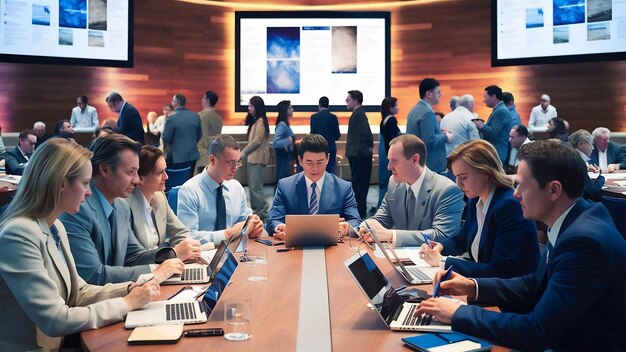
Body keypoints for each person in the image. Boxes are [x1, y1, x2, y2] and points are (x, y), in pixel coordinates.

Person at [414, 140, 626, 351]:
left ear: (554, 190)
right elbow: (534, 283)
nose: (515, 193)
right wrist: (472, 286)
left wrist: (458, 313)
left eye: (522, 185)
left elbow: (537, 332)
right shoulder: (572, 220)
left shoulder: (584, 242)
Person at [0, 138, 159, 351]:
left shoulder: (55, 226)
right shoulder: (18, 233)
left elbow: (79, 292)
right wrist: (127, 303)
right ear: (60, 184)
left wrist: (130, 288)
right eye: (84, 183)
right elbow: (55, 319)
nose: (90, 191)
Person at [60, 134, 200, 285]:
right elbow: (93, 275)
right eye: (130, 172)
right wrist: (156, 271)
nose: (137, 180)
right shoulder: (77, 209)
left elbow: (134, 256)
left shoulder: (121, 206)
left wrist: (172, 255)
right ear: (105, 169)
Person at [419, 140, 539, 278]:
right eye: (456, 177)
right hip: (486, 287)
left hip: (510, 294)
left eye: (463, 177)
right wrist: (439, 247)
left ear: (486, 172)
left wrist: (442, 261)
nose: (458, 184)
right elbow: (462, 239)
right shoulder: (476, 197)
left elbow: (500, 271)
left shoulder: (510, 206)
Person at [361, 134, 464, 246]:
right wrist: (359, 228)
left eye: (394, 161)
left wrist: (392, 235)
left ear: (414, 160)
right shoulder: (394, 183)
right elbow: (382, 218)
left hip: (432, 260)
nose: (389, 167)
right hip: (400, 258)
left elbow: (442, 235)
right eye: (389, 160)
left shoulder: (447, 190)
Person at [267, 134, 361, 239]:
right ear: (300, 160)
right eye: (309, 163)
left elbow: (356, 221)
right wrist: (280, 227)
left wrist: (347, 227)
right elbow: (273, 221)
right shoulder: (285, 186)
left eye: (320, 162)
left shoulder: (343, 188)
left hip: (332, 249)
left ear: (328, 159)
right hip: (295, 248)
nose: (315, 168)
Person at [178, 134, 265, 245]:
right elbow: (188, 237)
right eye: (231, 163)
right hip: (202, 256)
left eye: (238, 162)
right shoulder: (190, 191)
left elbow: (244, 222)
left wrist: (253, 227)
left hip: (235, 251)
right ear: (212, 160)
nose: (236, 168)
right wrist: (227, 234)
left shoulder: (236, 187)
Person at [126, 146, 199, 250]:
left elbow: (181, 232)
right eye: (160, 172)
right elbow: (133, 255)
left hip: (162, 262)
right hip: (143, 264)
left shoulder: (160, 196)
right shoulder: (125, 206)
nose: (166, 177)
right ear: (140, 177)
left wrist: (186, 247)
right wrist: (174, 253)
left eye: (165, 170)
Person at [406, 78, 452, 174]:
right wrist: (445, 136)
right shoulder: (427, 112)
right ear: (429, 94)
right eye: (438, 92)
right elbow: (429, 141)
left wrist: (439, 133)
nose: (441, 95)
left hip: (418, 163)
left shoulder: (414, 109)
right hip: (430, 165)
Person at [241, 96, 271, 221]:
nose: (249, 108)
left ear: (257, 107)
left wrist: (243, 153)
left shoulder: (260, 122)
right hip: (253, 159)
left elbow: (256, 141)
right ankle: (258, 212)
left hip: (257, 159)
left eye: (251, 106)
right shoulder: (256, 121)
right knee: (253, 187)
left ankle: (262, 213)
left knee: (255, 188)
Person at [345, 90, 373, 218]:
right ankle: (359, 211)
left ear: (356, 100)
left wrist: (370, 146)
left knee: (360, 185)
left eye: (348, 99)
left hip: (359, 154)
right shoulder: (359, 114)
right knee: (360, 184)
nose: (346, 102)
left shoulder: (359, 114)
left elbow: (366, 134)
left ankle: (359, 211)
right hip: (358, 154)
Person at [162, 93, 202, 175]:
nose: (171, 102)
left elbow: (166, 138)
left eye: (172, 100)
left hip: (176, 157)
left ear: (176, 102)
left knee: (176, 181)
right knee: (189, 180)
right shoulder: (195, 116)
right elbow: (199, 135)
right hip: (192, 155)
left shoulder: (171, 118)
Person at [473, 85, 513, 164]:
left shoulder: (501, 111)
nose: (484, 100)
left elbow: (492, 132)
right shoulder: (499, 109)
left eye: (485, 97)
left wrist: (482, 126)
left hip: (497, 153)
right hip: (495, 153)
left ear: (494, 96)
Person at [569, 129, 605, 201]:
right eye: (591, 144)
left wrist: (586, 168)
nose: (593, 148)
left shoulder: (571, 157)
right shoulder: (579, 162)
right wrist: (601, 178)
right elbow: (591, 190)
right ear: (580, 144)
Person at [379, 96, 401, 206]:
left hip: (385, 153)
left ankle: (380, 206)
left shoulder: (384, 120)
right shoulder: (391, 120)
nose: (398, 108)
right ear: (391, 108)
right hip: (391, 154)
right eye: (396, 105)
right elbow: (394, 139)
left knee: (384, 183)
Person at [310, 96, 340, 174]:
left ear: (319, 105)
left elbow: (312, 134)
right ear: (328, 105)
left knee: (318, 169)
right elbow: (337, 135)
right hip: (331, 148)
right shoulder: (333, 117)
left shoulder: (314, 117)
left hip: (317, 148)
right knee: (330, 169)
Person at [197, 91, 223, 174]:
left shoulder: (203, 115)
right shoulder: (218, 116)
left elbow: (203, 136)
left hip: (203, 152)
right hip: (214, 151)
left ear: (206, 100)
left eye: (203, 98)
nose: (201, 100)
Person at [272, 100, 295, 183]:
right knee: (282, 179)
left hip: (286, 158)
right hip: (283, 158)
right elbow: (275, 143)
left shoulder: (285, 124)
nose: (292, 110)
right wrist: (288, 141)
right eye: (290, 108)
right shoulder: (282, 125)